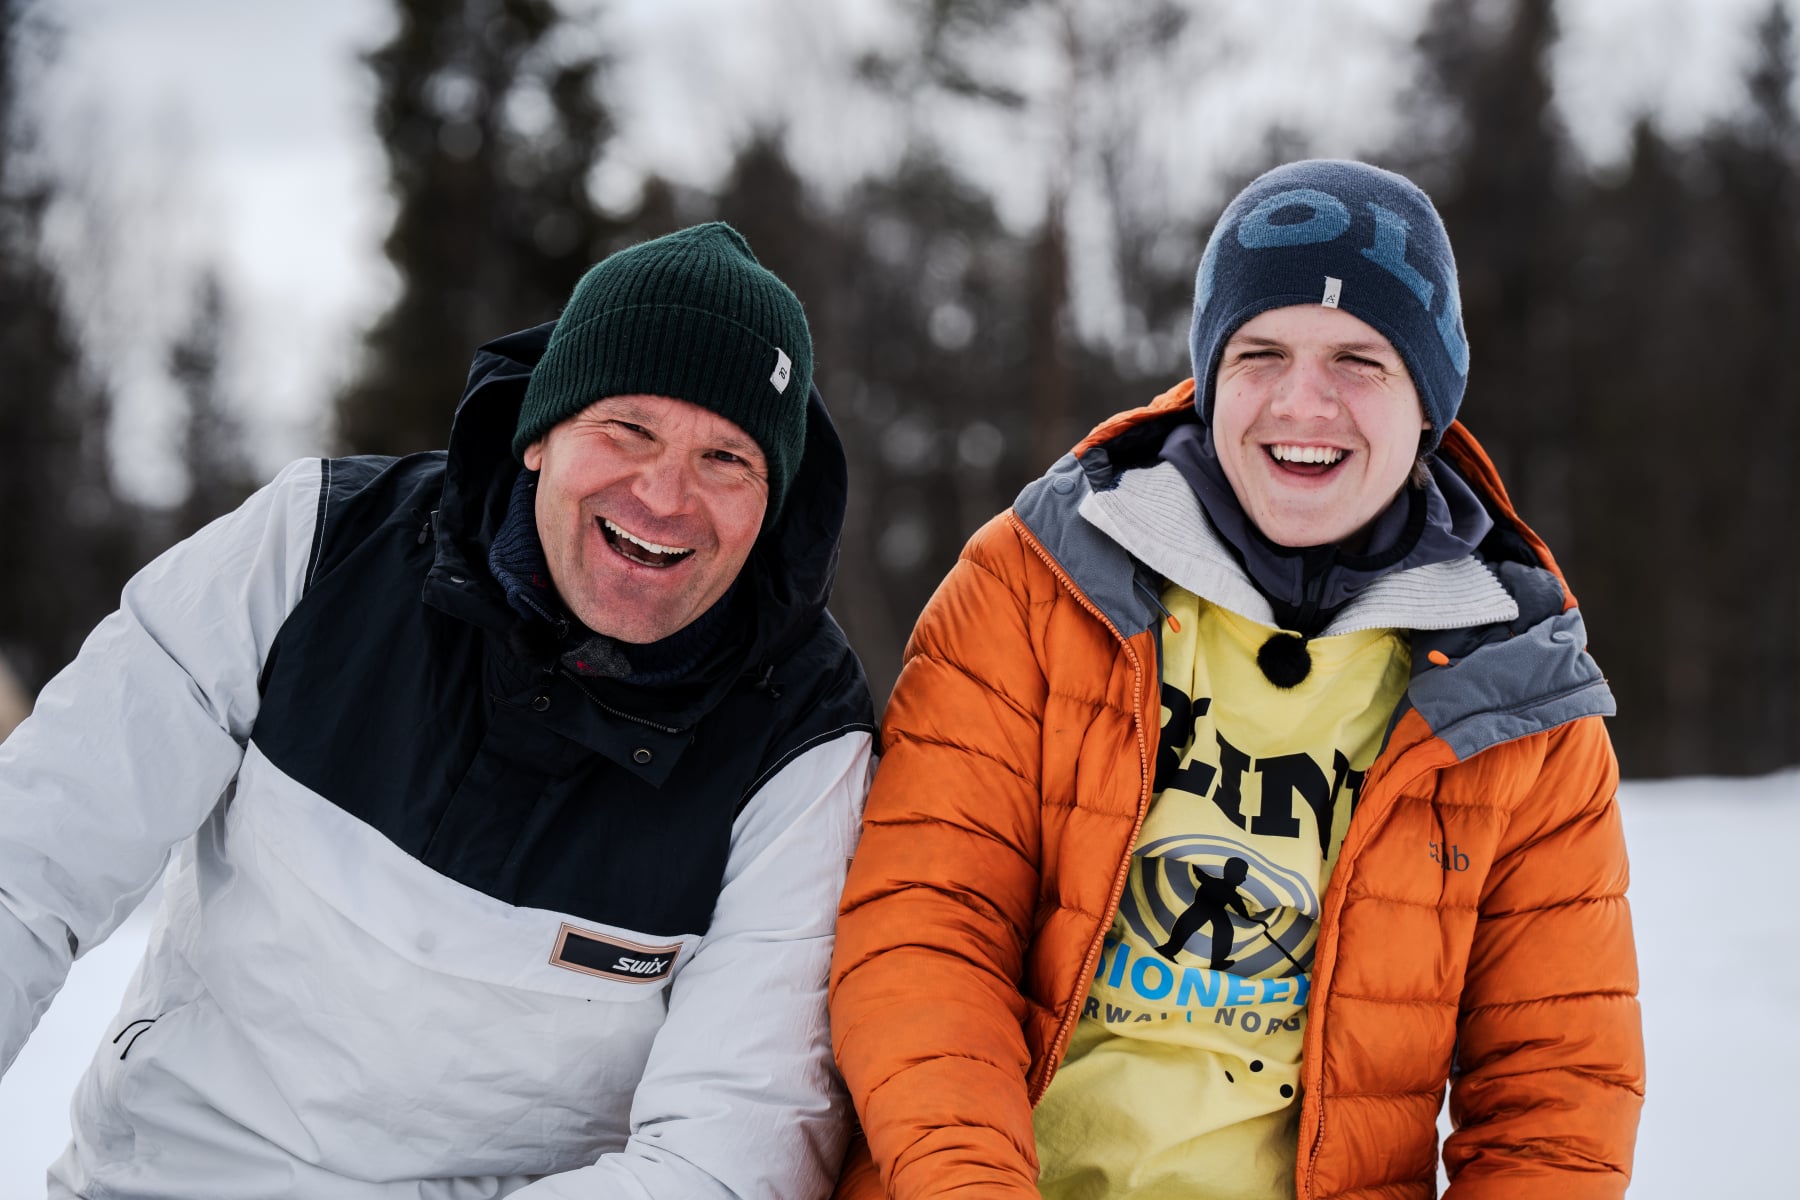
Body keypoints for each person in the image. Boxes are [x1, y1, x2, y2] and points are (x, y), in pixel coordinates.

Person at [0, 222, 874, 1198]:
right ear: (541, 434)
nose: (665, 495)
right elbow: (31, 857)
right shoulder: (317, 547)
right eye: (627, 429)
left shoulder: (799, 741)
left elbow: (726, 1160)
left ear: (771, 503)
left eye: (726, 459)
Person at [829, 161, 1643, 1199]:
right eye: (1261, 353)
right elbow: (923, 930)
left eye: (1359, 360)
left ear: (1429, 400)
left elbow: (1557, 1098)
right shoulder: (1034, 583)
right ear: (1213, 374)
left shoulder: (1521, 690)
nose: (1304, 402)